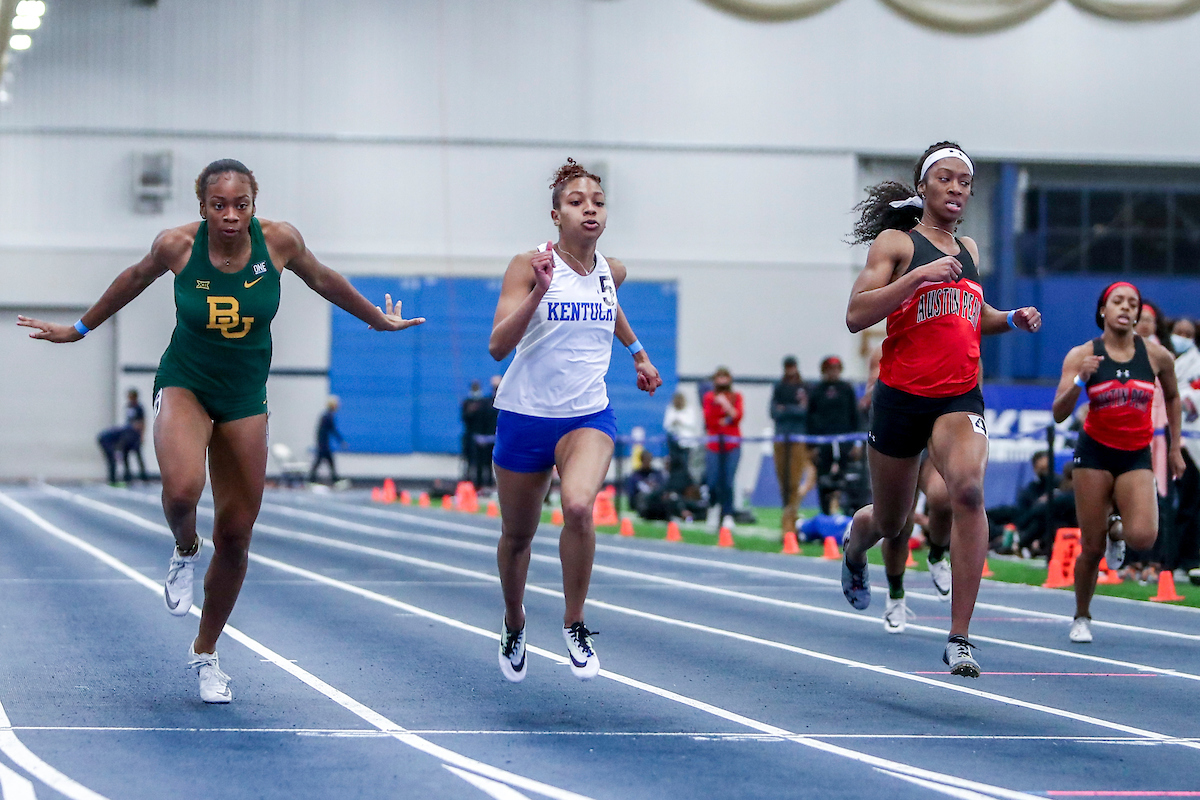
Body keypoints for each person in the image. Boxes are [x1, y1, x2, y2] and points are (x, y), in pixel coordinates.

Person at [18, 159, 423, 703]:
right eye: (219, 205)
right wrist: (79, 329)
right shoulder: (176, 247)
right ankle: (185, 547)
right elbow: (133, 279)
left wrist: (375, 318)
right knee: (183, 489)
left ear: (254, 205)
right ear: (202, 206)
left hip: (244, 395)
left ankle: (206, 653)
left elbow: (324, 279)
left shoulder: (279, 243)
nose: (231, 215)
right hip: (186, 381)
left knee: (236, 533)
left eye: (241, 205)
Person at [842, 141, 1041, 678]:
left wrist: (1011, 317)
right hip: (902, 397)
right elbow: (856, 314)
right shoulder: (896, 243)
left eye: (964, 182)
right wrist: (915, 279)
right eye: (946, 179)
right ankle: (856, 548)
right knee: (891, 520)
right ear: (924, 187)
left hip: (957, 396)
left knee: (969, 490)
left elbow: (972, 315)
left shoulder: (970, 250)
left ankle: (960, 637)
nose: (957, 189)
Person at [489, 159, 661, 684]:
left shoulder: (613, 270)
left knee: (580, 506)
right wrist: (540, 291)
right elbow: (498, 347)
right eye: (576, 201)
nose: (589, 208)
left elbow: (608, 304)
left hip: (587, 413)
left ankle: (574, 621)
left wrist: (637, 352)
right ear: (556, 214)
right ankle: (515, 620)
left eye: (598, 201)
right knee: (518, 536)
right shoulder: (528, 265)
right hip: (525, 415)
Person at [1052, 281, 1184, 644]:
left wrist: (1175, 447)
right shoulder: (1082, 354)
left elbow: (1172, 398)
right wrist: (1081, 380)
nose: (1126, 308)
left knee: (1143, 536)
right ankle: (1081, 614)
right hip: (1094, 454)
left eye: (1133, 303)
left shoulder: (1156, 357)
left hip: (1135, 453)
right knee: (1091, 548)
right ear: (1103, 311)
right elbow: (1059, 414)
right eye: (1118, 301)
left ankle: (1117, 528)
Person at [808, 355, 861, 514]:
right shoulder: (817, 391)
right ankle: (825, 512)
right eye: (830, 369)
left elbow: (855, 416)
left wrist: (856, 443)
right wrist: (811, 446)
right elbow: (810, 418)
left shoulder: (847, 389)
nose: (833, 372)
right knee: (824, 478)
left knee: (848, 478)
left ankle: (849, 514)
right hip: (823, 443)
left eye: (836, 369)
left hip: (845, 442)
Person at [1169, 317, 1200, 584]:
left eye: (1187, 333)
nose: (1182, 336)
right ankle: (1169, 559)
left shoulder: (1196, 364)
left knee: (1188, 505)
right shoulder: (1165, 357)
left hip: (1189, 443)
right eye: (1178, 332)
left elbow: (1189, 399)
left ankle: (1186, 560)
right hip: (1160, 438)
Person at [770, 356, 816, 537]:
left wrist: (786, 409)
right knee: (783, 481)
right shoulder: (779, 387)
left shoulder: (804, 387)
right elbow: (773, 412)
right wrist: (793, 409)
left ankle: (790, 519)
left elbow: (805, 412)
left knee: (795, 480)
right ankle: (787, 516)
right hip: (781, 437)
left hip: (798, 437)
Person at [702, 367, 743, 531]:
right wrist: (724, 418)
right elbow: (709, 420)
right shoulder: (709, 397)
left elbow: (737, 416)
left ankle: (728, 514)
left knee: (728, 481)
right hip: (713, 445)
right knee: (712, 481)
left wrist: (726, 405)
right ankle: (713, 508)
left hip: (732, 444)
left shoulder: (736, 397)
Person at [461, 380, 490, 488]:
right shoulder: (467, 402)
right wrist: (469, 411)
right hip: (470, 435)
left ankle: (483, 483)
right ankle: (468, 483)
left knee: (484, 462)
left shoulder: (484, 402)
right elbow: (464, 418)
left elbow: (487, 419)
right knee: (469, 461)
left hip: (482, 435)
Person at [309, 396, 344, 484]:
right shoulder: (328, 416)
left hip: (323, 442)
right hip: (323, 443)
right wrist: (341, 441)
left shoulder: (326, 415)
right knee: (323, 461)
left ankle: (312, 478)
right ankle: (312, 479)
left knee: (324, 461)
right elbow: (333, 430)